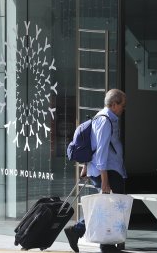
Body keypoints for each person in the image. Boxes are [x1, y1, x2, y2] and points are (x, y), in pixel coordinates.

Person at [64, 89, 127, 253]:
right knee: (113, 205)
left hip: (105, 170)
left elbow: (92, 145)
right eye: (122, 105)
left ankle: (80, 231)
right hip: (107, 171)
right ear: (113, 105)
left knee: (105, 205)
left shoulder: (103, 117)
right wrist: (105, 179)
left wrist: (86, 166)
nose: (123, 109)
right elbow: (101, 151)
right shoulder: (105, 121)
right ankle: (105, 243)